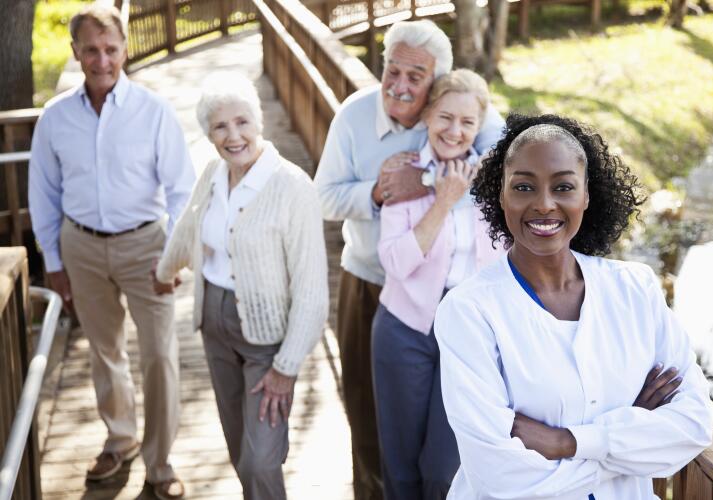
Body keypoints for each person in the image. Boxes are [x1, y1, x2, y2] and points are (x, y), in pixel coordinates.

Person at [434, 114, 713, 499]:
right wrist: (630, 439)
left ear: (586, 195)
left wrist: (568, 442)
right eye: (524, 187)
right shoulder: (468, 311)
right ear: (501, 196)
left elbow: (695, 424)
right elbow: (499, 476)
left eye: (563, 186)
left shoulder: (636, 289)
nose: (544, 204)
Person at [314, 20, 504, 499]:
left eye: (414, 77)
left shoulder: (462, 116)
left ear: (438, 81)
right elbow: (324, 199)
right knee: (366, 414)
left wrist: (426, 184)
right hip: (372, 282)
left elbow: (501, 167)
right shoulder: (353, 116)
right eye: (391, 71)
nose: (399, 86)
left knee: (443, 449)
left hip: (455, 305)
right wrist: (378, 192)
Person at [28, 5, 194, 498]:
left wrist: (175, 257)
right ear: (76, 53)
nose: (102, 60)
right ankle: (119, 439)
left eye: (111, 49)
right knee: (105, 352)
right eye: (92, 50)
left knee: (160, 355)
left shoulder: (154, 111)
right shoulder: (54, 119)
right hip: (80, 246)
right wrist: (53, 263)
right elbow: (44, 194)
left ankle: (160, 463)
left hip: (146, 245)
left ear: (124, 50)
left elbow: (183, 190)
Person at [152, 71, 328, 500]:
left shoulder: (292, 187)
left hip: (266, 339)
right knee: (238, 448)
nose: (234, 135)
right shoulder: (214, 171)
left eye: (242, 121)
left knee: (261, 458)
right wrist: (165, 271)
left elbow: (311, 290)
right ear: (208, 134)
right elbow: (190, 225)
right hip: (213, 325)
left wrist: (286, 369)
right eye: (220, 126)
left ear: (259, 121)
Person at [372, 69, 506, 500]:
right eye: (446, 117)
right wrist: (442, 201)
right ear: (428, 114)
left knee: (446, 465)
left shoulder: (492, 180)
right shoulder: (403, 171)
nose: (455, 131)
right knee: (401, 464)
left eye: (467, 122)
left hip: (468, 333)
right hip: (405, 328)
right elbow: (395, 261)